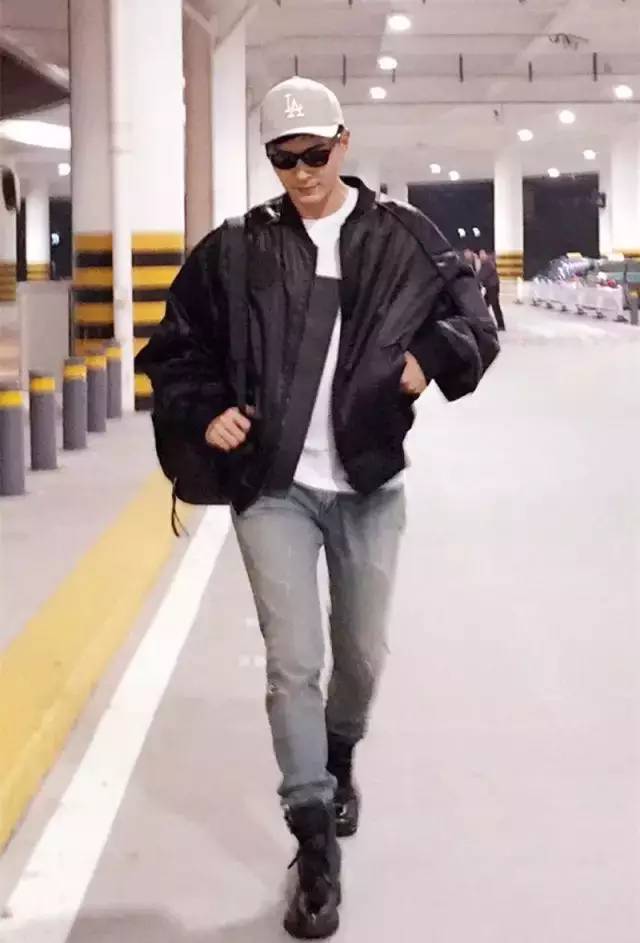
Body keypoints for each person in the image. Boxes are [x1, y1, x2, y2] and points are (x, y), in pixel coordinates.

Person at [136, 76, 499, 940]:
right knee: (291, 662)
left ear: (343, 144)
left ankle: (340, 753)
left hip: (368, 482)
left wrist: (431, 357)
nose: (301, 172)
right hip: (274, 488)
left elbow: (475, 317)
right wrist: (205, 408)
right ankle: (313, 839)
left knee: (360, 656)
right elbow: (176, 344)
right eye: (283, 158)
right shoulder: (237, 249)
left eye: (314, 154)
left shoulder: (403, 234)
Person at [478, 248, 506, 331]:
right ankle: (485, 323)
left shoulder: (488, 263)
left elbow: (482, 275)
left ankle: (500, 325)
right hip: (490, 287)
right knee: (484, 305)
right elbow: (481, 275)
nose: (481, 256)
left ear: (485, 254)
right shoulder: (486, 262)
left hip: (492, 287)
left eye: (482, 254)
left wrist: (475, 280)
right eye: (480, 255)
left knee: (494, 306)